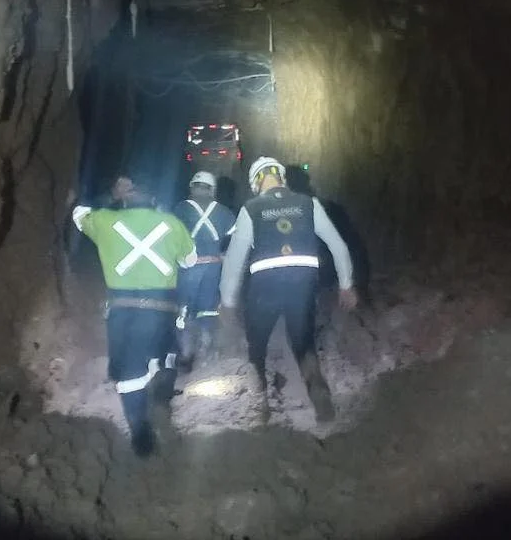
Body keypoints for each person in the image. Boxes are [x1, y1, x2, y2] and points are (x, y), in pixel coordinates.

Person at [219, 156, 359, 423]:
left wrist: (228, 301)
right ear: (281, 177)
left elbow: (235, 259)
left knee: (257, 343)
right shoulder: (309, 203)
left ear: (256, 182)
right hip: (302, 282)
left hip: (265, 285)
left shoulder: (251, 208)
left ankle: (260, 400)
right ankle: (317, 390)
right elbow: (338, 246)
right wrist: (346, 286)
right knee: (303, 342)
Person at [72, 174, 198, 457]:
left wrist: (110, 197)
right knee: (164, 356)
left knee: (129, 374)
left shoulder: (105, 221)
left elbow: (78, 213)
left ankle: (140, 432)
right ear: (154, 199)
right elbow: (189, 260)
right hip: (162, 309)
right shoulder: (171, 224)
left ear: (125, 198)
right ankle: (162, 401)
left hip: (123, 310)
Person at [171, 171, 238, 371]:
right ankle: (206, 349)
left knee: (184, 309)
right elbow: (232, 240)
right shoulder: (224, 212)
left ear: (192, 187)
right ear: (212, 189)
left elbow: (171, 238)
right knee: (208, 308)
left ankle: (185, 353)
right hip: (213, 267)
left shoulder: (180, 209)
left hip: (188, 267)